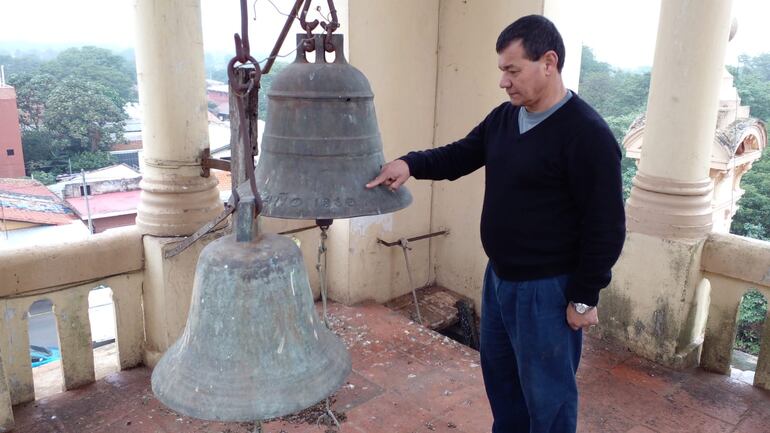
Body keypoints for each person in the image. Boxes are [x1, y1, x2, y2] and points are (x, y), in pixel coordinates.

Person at [366, 14, 626, 433]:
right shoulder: (505, 118)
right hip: (499, 280)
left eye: (512, 70)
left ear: (548, 62)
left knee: (549, 399)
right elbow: (461, 154)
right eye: (501, 71)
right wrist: (410, 163)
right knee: (504, 389)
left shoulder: (587, 135)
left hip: (547, 291)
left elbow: (607, 225)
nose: (504, 82)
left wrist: (583, 297)